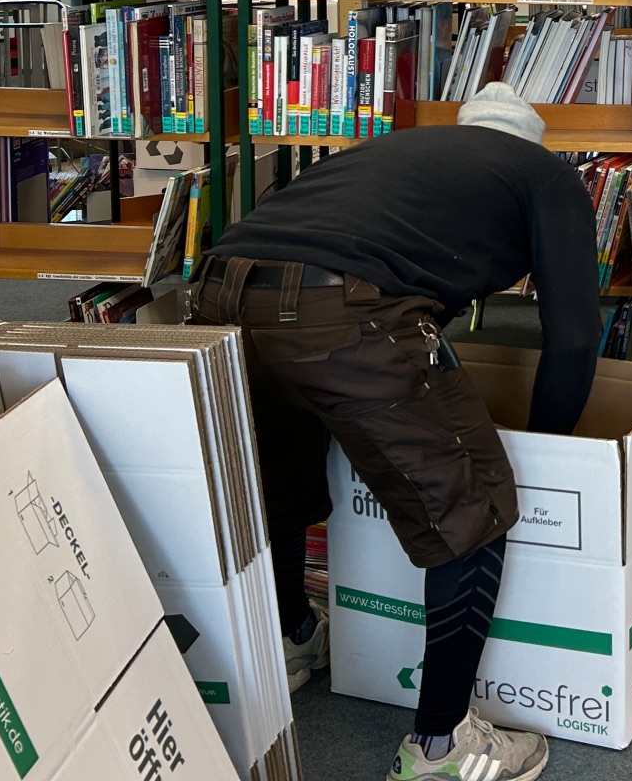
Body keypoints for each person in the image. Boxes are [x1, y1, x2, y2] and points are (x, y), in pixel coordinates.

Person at [191, 83, 598, 781]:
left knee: (279, 472)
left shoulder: (395, 153)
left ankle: (292, 640)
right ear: (530, 143)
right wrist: (546, 446)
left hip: (219, 290)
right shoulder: (548, 175)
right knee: (469, 501)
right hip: (339, 304)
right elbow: (573, 338)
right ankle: (443, 747)